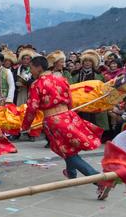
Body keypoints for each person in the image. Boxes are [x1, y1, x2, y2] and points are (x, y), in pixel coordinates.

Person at [21, 56, 111, 200]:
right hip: (68, 116)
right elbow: (70, 100)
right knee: (68, 148)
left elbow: (32, 108)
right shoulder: (61, 79)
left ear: (38, 68)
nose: (30, 71)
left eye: (31, 68)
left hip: (54, 121)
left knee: (69, 153)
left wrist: (25, 126)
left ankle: (99, 180)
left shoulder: (37, 84)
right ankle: (71, 173)